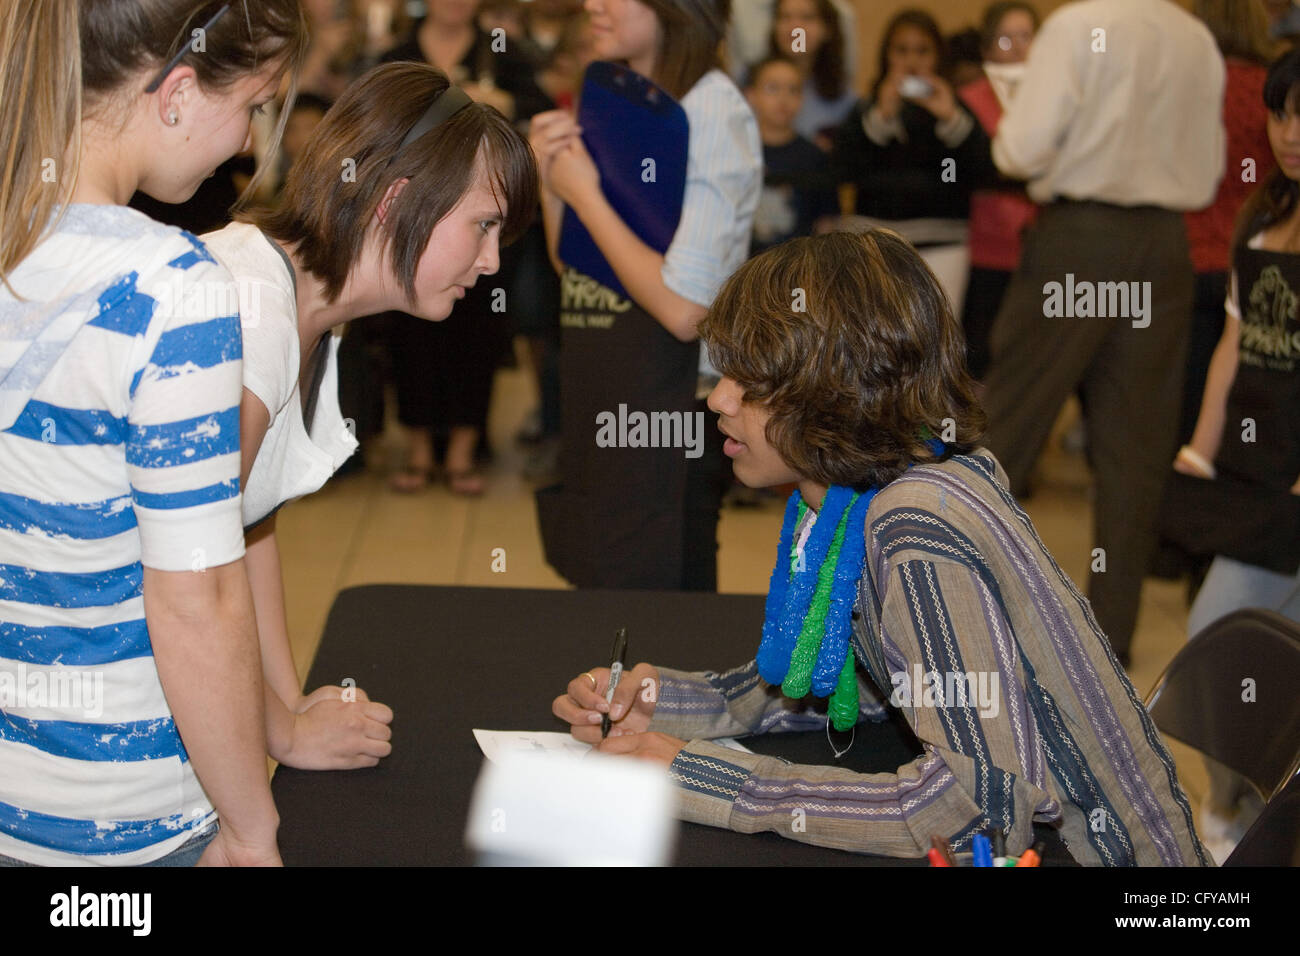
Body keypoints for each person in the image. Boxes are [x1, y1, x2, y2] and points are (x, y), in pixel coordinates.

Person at [552, 231, 1210, 867]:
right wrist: (664, 703)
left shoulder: (915, 527)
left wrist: (713, 780)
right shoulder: (872, 491)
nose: (719, 399)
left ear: (835, 395)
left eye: (749, 383)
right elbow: (872, 676)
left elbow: (980, 816)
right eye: (724, 374)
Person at [0, 0, 306, 867]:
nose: (249, 141)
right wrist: (250, 823)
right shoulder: (173, 288)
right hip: (124, 812)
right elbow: (196, 597)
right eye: (250, 105)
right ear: (175, 95)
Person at [201, 61, 538, 769]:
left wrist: (287, 703)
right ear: (394, 200)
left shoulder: (315, 314)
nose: (490, 262)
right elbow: (188, 570)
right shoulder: (251, 309)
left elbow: (247, 524)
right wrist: (281, 734)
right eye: (482, 226)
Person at [977, 0, 1225, 667]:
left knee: (1008, 425)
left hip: (1081, 238)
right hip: (1165, 245)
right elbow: (1213, 162)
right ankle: (1108, 640)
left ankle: (960, 609)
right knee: (1135, 452)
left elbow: (1018, 147)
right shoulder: (1195, 37)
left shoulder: (1075, 27)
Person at [529, 0, 762, 590]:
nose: (592, 5)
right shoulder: (621, 95)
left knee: (667, 611)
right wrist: (552, 181)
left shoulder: (711, 109)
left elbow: (686, 310)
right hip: (609, 387)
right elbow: (581, 266)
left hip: (675, 412)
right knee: (603, 580)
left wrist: (584, 197)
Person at [1172, 48, 1300, 863]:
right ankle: (1232, 814)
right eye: (1285, 114)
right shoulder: (1260, 220)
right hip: (1258, 483)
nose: (1293, 133)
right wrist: (1200, 448)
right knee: (1218, 643)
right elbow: (1232, 345)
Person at [383, 0, 554, 495]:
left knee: (477, 330)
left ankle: (462, 450)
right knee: (408, 329)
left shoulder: (502, 51)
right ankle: (417, 449)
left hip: (481, 213)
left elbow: (541, 114)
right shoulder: (398, 53)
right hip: (410, 216)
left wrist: (500, 104)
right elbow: (371, 123)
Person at [831, 8, 993, 318]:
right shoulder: (867, 110)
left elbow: (983, 171)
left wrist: (951, 119)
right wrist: (881, 117)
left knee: (936, 345)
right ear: (886, 55)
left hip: (943, 246)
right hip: (872, 247)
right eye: (901, 50)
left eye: (923, 50)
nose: (912, 61)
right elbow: (844, 169)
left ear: (938, 56)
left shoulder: (955, 109)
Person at [956, 1, 1039, 380]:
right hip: (986, 247)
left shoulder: (1056, 98)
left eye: (1027, 37)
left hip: (1043, 248)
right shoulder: (969, 100)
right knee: (980, 354)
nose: (1020, 47)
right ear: (987, 48)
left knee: (1035, 357)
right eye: (1007, 38)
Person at [744, 55, 839, 256]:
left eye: (793, 90)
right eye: (773, 88)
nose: (783, 99)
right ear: (751, 96)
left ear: (802, 99)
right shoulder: (737, 152)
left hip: (799, 268)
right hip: (744, 269)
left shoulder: (815, 157)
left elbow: (826, 223)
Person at [765, 0, 856, 151]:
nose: (794, 28)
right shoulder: (749, 81)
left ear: (827, 29)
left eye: (806, 17)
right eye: (785, 17)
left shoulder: (844, 97)